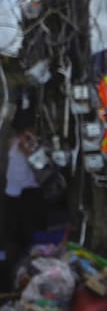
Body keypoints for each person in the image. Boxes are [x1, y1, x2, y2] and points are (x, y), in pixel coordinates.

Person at [3, 121, 45, 289]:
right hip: (15, 193)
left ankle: (23, 264)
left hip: (27, 192)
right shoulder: (16, 142)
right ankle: (13, 267)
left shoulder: (26, 144)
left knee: (26, 233)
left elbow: (37, 161)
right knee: (16, 233)